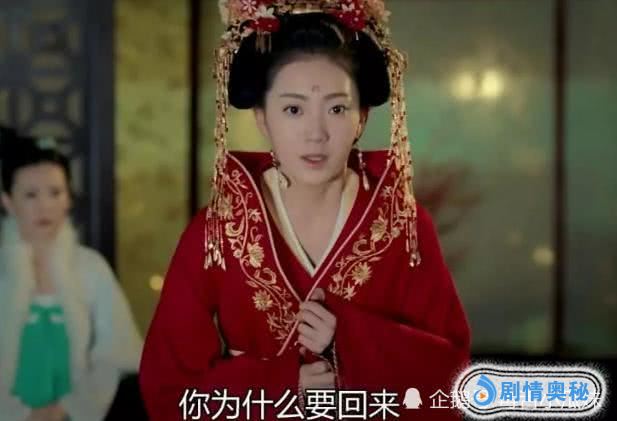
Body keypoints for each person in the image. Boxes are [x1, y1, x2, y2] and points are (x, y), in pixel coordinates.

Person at [140, 1, 471, 420]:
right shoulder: (219, 229)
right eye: (293, 109)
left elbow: (450, 379)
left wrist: (348, 337)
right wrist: (280, 386)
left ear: (362, 118)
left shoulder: (403, 225)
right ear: (262, 118)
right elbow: (169, 388)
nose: (316, 133)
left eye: (337, 108)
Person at [0, 127, 143, 421]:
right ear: (8, 201)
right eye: (30, 195)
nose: (45, 206)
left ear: (68, 198)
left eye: (55, 193)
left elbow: (116, 353)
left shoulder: (92, 268)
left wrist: (70, 408)